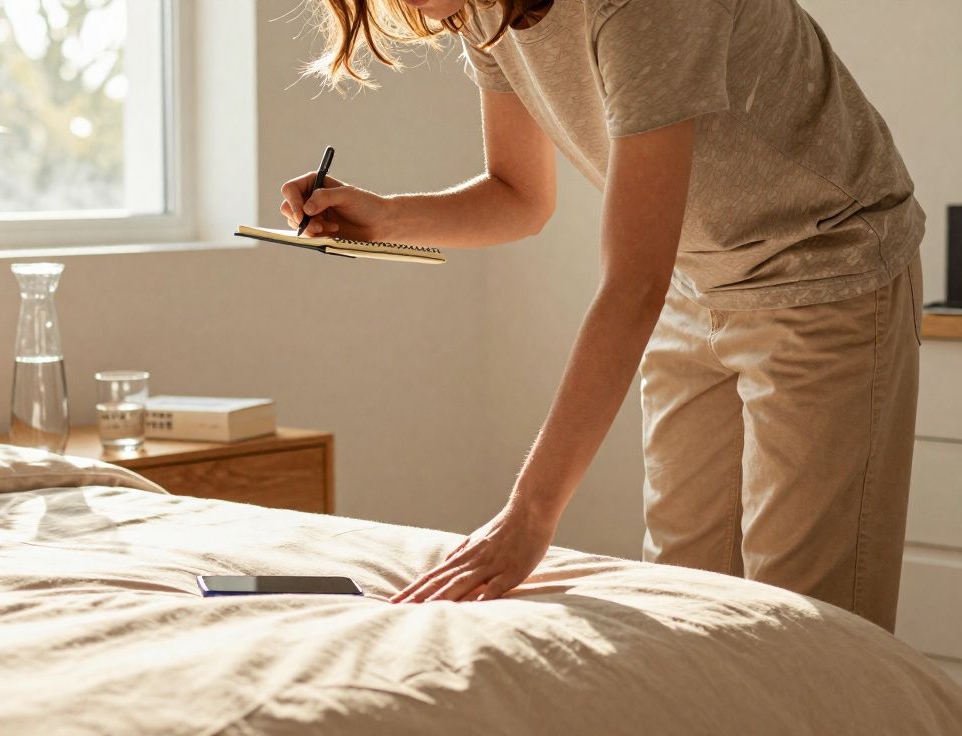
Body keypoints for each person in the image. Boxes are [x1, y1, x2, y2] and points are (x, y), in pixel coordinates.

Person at [279, 0, 923, 630]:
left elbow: (631, 285)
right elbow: (519, 198)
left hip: (824, 271)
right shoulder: (485, 9)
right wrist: (385, 216)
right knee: (687, 603)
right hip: (694, 280)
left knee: (808, 627)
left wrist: (528, 517)